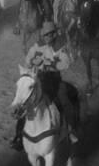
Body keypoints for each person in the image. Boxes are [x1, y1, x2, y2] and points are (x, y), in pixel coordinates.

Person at [10, 21, 77, 151]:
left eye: (50, 34)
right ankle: (19, 136)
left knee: (64, 100)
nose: (48, 37)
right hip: (39, 80)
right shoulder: (37, 46)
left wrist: (46, 64)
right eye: (46, 35)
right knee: (25, 103)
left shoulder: (60, 47)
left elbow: (65, 62)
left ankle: (71, 130)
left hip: (54, 81)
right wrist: (34, 64)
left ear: (54, 34)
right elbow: (28, 60)